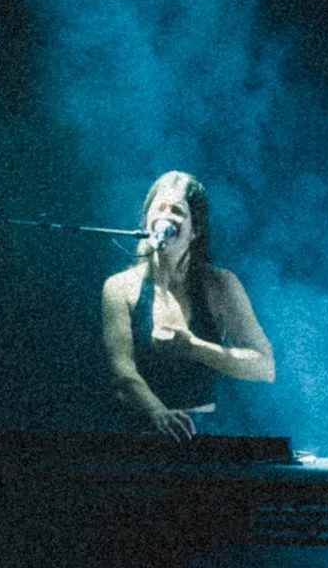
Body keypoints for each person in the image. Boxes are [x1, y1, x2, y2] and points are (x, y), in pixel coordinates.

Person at [100, 171, 274, 443]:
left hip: (207, 431)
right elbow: (122, 372)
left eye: (177, 211)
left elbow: (265, 367)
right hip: (141, 433)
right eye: (159, 208)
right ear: (146, 219)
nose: (166, 216)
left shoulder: (220, 284)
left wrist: (195, 348)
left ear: (196, 229)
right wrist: (158, 413)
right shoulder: (119, 287)